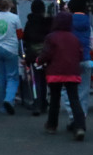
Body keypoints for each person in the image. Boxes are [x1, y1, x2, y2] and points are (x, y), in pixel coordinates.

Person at [37, 10, 87, 140]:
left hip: (55, 72)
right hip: (72, 72)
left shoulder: (51, 37)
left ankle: (52, 125)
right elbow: (80, 55)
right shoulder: (74, 38)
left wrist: (38, 60)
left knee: (54, 99)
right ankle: (80, 126)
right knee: (74, 100)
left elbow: (47, 54)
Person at [0, 0, 23, 115]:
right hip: (11, 49)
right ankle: (9, 99)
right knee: (12, 77)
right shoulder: (15, 18)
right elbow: (20, 35)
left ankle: (2, 106)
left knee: (1, 78)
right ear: (10, 5)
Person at [64, 0, 93, 124]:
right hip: (86, 59)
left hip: (71, 60)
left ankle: (72, 117)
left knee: (67, 91)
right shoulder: (87, 21)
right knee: (84, 91)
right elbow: (91, 42)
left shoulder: (68, 21)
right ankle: (82, 116)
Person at [22, 0, 52, 116]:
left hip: (33, 54)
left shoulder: (30, 23)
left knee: (36, 80)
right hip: (46, 53)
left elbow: (25, 38)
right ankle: (44, 102)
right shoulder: (48, 22)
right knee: (45, 79)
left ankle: (37, 103)